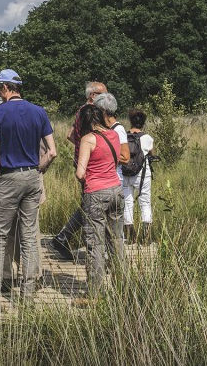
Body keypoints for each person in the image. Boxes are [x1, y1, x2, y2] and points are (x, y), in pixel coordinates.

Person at [0, 69, 56, 311]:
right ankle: (27, 296)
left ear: (3, 88)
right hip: (32, 177)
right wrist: (38, 170)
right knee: (28, 237)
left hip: (8, 177)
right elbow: (53, 151)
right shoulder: (39, 112)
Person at [50, 82, 116, 260]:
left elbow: (70, 135)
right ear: (92, 95)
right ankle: (65, 237)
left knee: (89, 204)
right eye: (103, 93)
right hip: (91, 166)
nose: (106, 96)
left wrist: (81, 149)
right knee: (92, 206)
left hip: (84, 162)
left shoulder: (81, 111)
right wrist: (89, 150)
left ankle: (64, 237)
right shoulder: (91, 113)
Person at [73, 104, 126, 291]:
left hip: (96, 193)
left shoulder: (88, 139)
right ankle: (121, 286)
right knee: (116, 240)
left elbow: (80, 173)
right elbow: (118, 159)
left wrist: (90, 179)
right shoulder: (114, 134)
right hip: (117, 191)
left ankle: (94, 292)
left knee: (95, 244)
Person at [123, 109, 156, 244]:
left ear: (131, 121)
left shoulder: (123, 136)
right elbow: (152, 154)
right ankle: (146, 238)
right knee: (145, 203)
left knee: (127, 203)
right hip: (142, 175)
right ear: (143, 123)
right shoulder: (148, 138)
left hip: (125, 173)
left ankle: (130, 237)